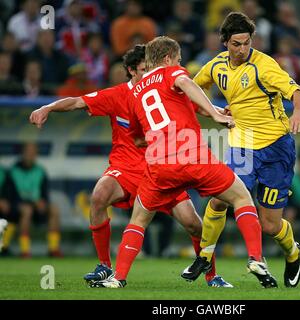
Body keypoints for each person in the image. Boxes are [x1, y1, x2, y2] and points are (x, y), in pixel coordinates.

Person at [29, 45, 232, 288]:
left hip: (162, 168)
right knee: (99, 195)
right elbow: (77, 102)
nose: (149, 74)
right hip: (126, 169)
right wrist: (47, 107)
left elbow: (198, 105)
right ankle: (105, 266)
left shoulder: (164, 87)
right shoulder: (117, 95)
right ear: (131, 71)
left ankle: (213, 276)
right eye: (143, 70)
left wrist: (221, 112)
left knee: (194, 224)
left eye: (150, 68)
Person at [89, 36, 276, 289]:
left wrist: (149, 140)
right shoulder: (171, 72)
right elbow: (186, 83)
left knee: (139, 221)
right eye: (178, 59)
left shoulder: (136, 91)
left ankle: (118, 278)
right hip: (192, 155)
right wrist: (214, 113)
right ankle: (256, 257)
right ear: (167, 59)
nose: (180, 63)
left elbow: (136, 134)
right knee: (241, 198)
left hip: (159, 165)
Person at [185, 12, 300, 288]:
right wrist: (215, 110)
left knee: (270, 225)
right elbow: (190, 93)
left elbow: (298, 93)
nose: (243, 49)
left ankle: (293, 252)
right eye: (236, 44)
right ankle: (204, 255)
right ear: (225, 42)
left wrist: (298, 112)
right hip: (242, 146)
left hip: (276, 149)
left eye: (247, 43)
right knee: (218, 199)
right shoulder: (215, 67)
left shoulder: (264, 66)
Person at [6, 142, 62, 257]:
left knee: (54, 209)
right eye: (28, 152)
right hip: (18, 207)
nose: (30, 155)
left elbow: (44, 192)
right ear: (23, 153)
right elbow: (9, 195)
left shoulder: (40, 171)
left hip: (37, 207)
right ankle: (25, 251)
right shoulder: (13, 171)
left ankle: (53, 249)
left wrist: (43, 202)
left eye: (33, 153)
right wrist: (28, 202)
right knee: (27, 210)